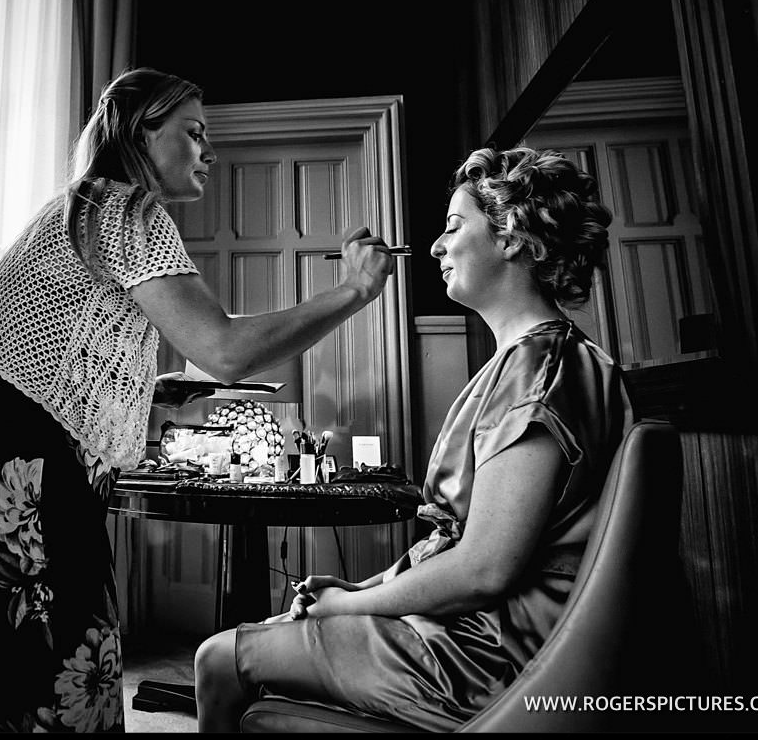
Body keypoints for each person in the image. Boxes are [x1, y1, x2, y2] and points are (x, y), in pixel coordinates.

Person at [0, 67, 395, 732]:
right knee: (65, 691)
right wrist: (355, 290)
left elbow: (56, 349)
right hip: (28, 484)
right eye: (194, 133)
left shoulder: (71, 207)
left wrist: (149, 387)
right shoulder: (130, 209)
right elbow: (225, 350)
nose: (209, 151)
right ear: (142, 131)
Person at [193, 146, 635, 732]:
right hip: (481, 629)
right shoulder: (553, 359)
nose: (433, 246)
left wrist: (347, 606)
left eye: (453, 227)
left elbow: (485, 569)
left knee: (218, 658)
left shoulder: (537, 370)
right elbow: (466, 551)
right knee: (276, 633)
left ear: (512, 238)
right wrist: (361, 585)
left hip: (493, 657)